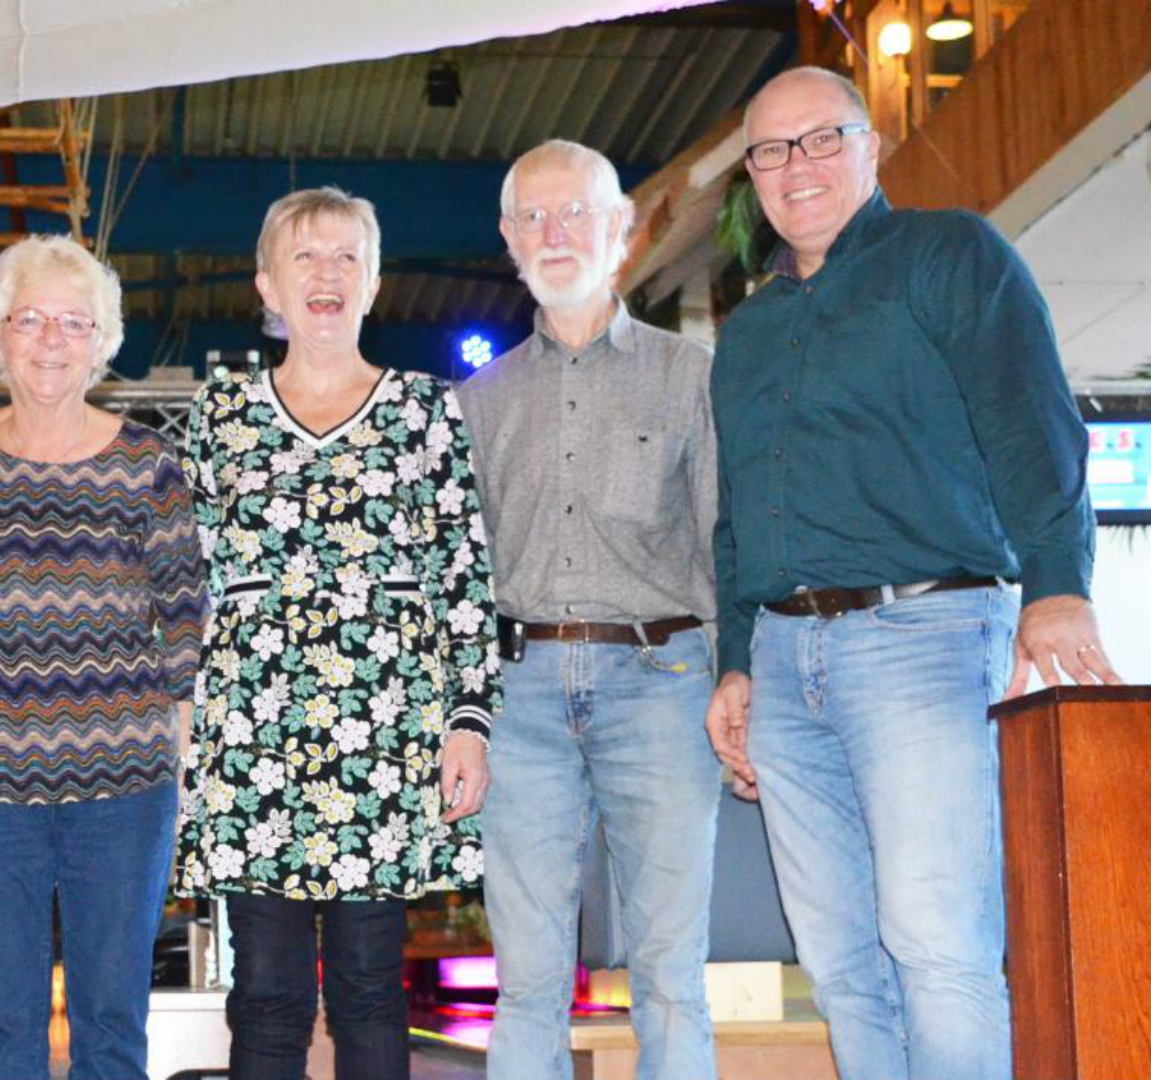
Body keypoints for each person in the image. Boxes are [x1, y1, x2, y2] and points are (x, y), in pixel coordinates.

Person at [707, 66, 1118, 1080]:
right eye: (770, 150)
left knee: (936, 944)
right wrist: (733, 659)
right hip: (783, 660)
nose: (795, 167)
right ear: (751, 177)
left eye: (818, 139)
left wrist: (1056, 585)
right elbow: (735, 516)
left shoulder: (950, 256)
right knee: (840, 962)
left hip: (925, 642)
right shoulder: (747, 334)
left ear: (870, 142)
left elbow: (1033, 426)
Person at [175, 186, 500, 1080]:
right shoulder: (219, 416)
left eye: (345, 256)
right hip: (252, 741)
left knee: (366, 987)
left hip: (385, 736)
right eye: (304, 258)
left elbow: (465, 579)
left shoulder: (427, 412)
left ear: (374, 281)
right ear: (266, 286)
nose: (325, 275)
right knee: (267, 996)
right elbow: (181, 584)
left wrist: (468, 720)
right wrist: (179, 721)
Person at [458, 138, 720, 1080]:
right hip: (519, 698)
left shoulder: (690, 376)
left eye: (576, 212)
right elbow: (458, 583)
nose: (554, 231)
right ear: (507, 237)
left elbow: (719, 543)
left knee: (667, 970)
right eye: (533, 215)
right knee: (526, 979)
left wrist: (733, 684)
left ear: (619, 232)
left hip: (663, 685)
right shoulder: (475, 405)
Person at [0, 235, 206, 1079]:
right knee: (0, 1022)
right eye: (29, 320)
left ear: (102, 341)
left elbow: (185, 614)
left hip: (123, 787)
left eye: (72, 322)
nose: (50, 340)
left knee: (112, 1021)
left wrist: (180, 741)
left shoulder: (147, 463)